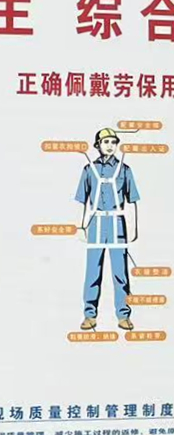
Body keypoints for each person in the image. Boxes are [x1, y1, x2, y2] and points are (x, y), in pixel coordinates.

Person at [76, 127, 139, 331]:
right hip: (95, 224)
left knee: (120, 273)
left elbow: (132, 201)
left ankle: (123, 315)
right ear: (98, 145)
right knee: (92, 272)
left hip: (117, 223)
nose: (110, 146)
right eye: (106, 142)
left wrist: (133, 228)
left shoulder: (125, 170)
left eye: (113, 142)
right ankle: (89, 315)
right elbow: (82, 200)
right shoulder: (88, 170)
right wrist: (80, 226)